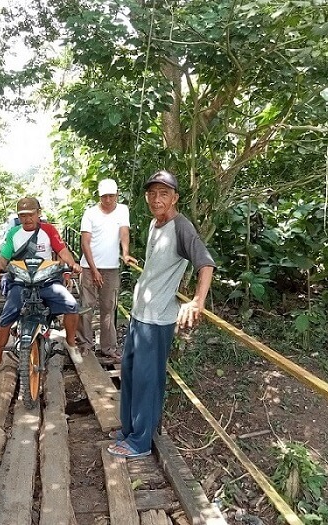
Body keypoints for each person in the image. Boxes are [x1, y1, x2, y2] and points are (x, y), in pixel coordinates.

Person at [108, 170, 215, 459]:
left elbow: (205, 264)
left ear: (175, 197)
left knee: (147, 380)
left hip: (157, 321)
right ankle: (129, 431)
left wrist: (196, 301)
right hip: (140, 314)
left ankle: (140, 442)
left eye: (164, 193)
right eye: (152, 193)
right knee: (129, 375)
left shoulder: (182, 227)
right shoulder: (156, 225)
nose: (157, 199)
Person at [0, 197, 82, 381]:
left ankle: (70, 342)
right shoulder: (13, 233)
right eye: (22, 216)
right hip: (21, 283)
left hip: (46, 282)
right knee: (5, 318)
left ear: (38, 213)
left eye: (31, 214)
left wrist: (72, 263)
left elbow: (61, 250)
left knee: (71, 305)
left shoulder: (48, 230)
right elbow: (4, 255)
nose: (27, 219)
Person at [77, 179, 136, 359]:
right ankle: (85, 343)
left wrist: (125, 253)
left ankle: (108, 347)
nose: (108, 200)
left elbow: (124, 232)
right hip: (88, 267)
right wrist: (94, 270)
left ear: (117, 195)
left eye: (111, 196)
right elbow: (85, 242)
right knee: (87, 307)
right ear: (99, 196)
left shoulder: (122, 210)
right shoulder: (90, 213)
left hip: (111, 268)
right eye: (104, 196)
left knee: (108, 308)